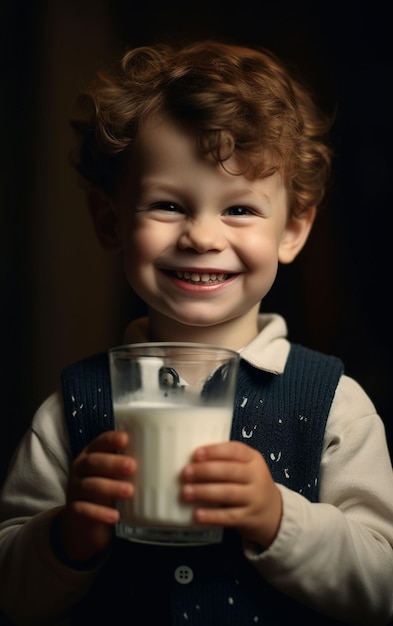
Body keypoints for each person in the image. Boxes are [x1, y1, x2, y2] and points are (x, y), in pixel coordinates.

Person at [1, 40, 393, 626]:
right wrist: (66, 536)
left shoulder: (335, 404)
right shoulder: (74, 408)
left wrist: (277, 518)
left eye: (239, 209)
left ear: (293, 230)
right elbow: (11, 594)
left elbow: (382, 589)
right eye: (167, 205)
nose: (202, 236)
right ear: (110, 222)